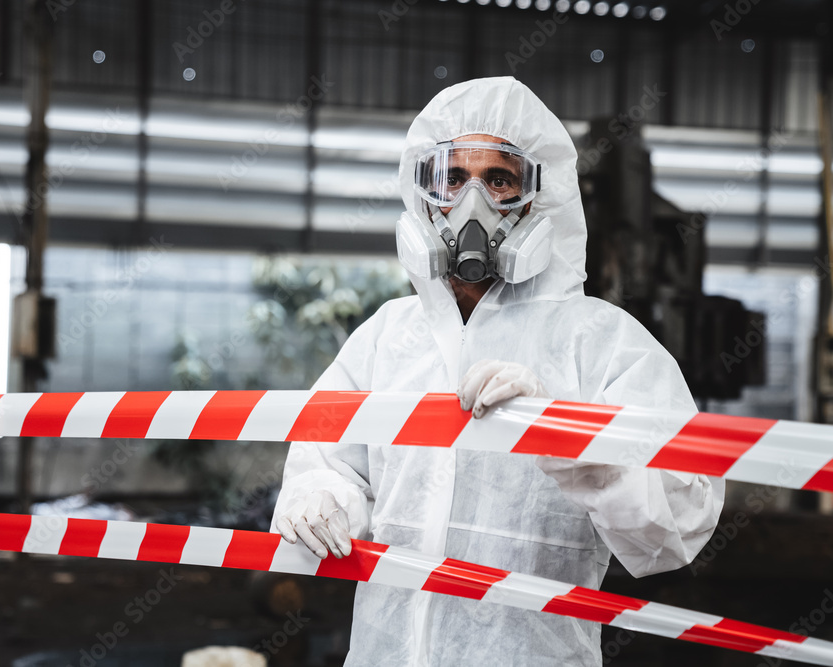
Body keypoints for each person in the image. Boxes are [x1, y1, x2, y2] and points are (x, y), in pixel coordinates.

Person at [270, 77, 724, 666]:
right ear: (424, 193)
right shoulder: (387, 336)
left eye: (499, 180)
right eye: (452, 178)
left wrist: (576, 443)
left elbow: (679, 525)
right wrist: (322, 494)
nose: (472, 203)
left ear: (539, 199)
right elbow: (328, 460)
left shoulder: (600, 341)